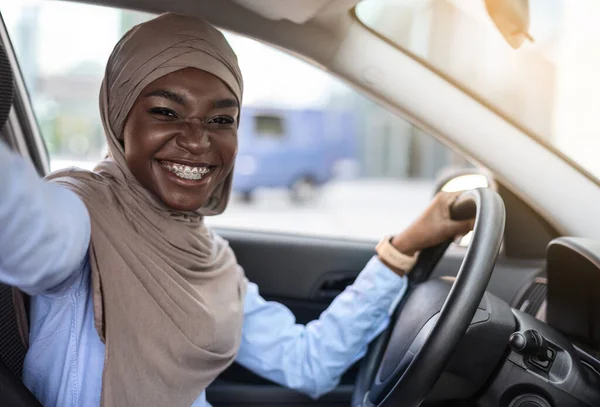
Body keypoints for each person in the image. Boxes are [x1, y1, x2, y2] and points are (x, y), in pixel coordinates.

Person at [0, 13, 473, 407]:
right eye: (166, 111)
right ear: (120, 116)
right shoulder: (81, 218)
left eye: (221, 119)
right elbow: (20, 225)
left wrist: (403, 248)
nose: (196, 139)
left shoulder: (211, 258)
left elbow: (307, 361)